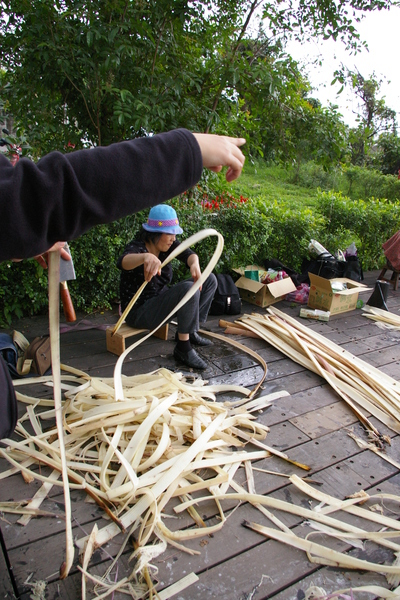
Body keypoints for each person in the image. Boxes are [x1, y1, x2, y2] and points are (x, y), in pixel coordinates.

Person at [0, 130, 246, 263]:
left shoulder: (171, 246)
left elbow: (18, 210)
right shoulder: (138, 247)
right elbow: (29, 202)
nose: (172, 238)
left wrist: (32, 238)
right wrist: (188, 150)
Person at [117, 204, 217, 370]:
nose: (173, 238)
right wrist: (145, 257)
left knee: (209, 279)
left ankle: (190, 332)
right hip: (140, 312)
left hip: (160, 303)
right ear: (154, 233)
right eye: (170, 233)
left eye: (174, 233)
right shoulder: (137, 248)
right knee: (187, 290)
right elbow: (123, 262)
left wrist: (194, 263)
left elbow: (189, 254)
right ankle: (182, 348)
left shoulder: (167, 245)